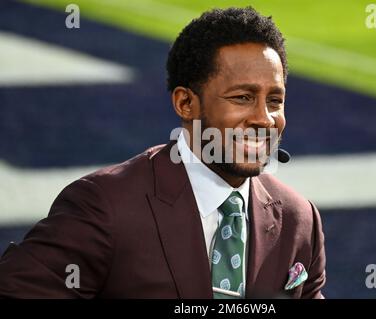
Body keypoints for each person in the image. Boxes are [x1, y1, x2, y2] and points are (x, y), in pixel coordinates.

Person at [0, 7, 325, 299]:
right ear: (186, 103)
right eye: (242, 97)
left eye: (274, 101)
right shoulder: (104, 206)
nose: (263, 119)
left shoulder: (299, 219)